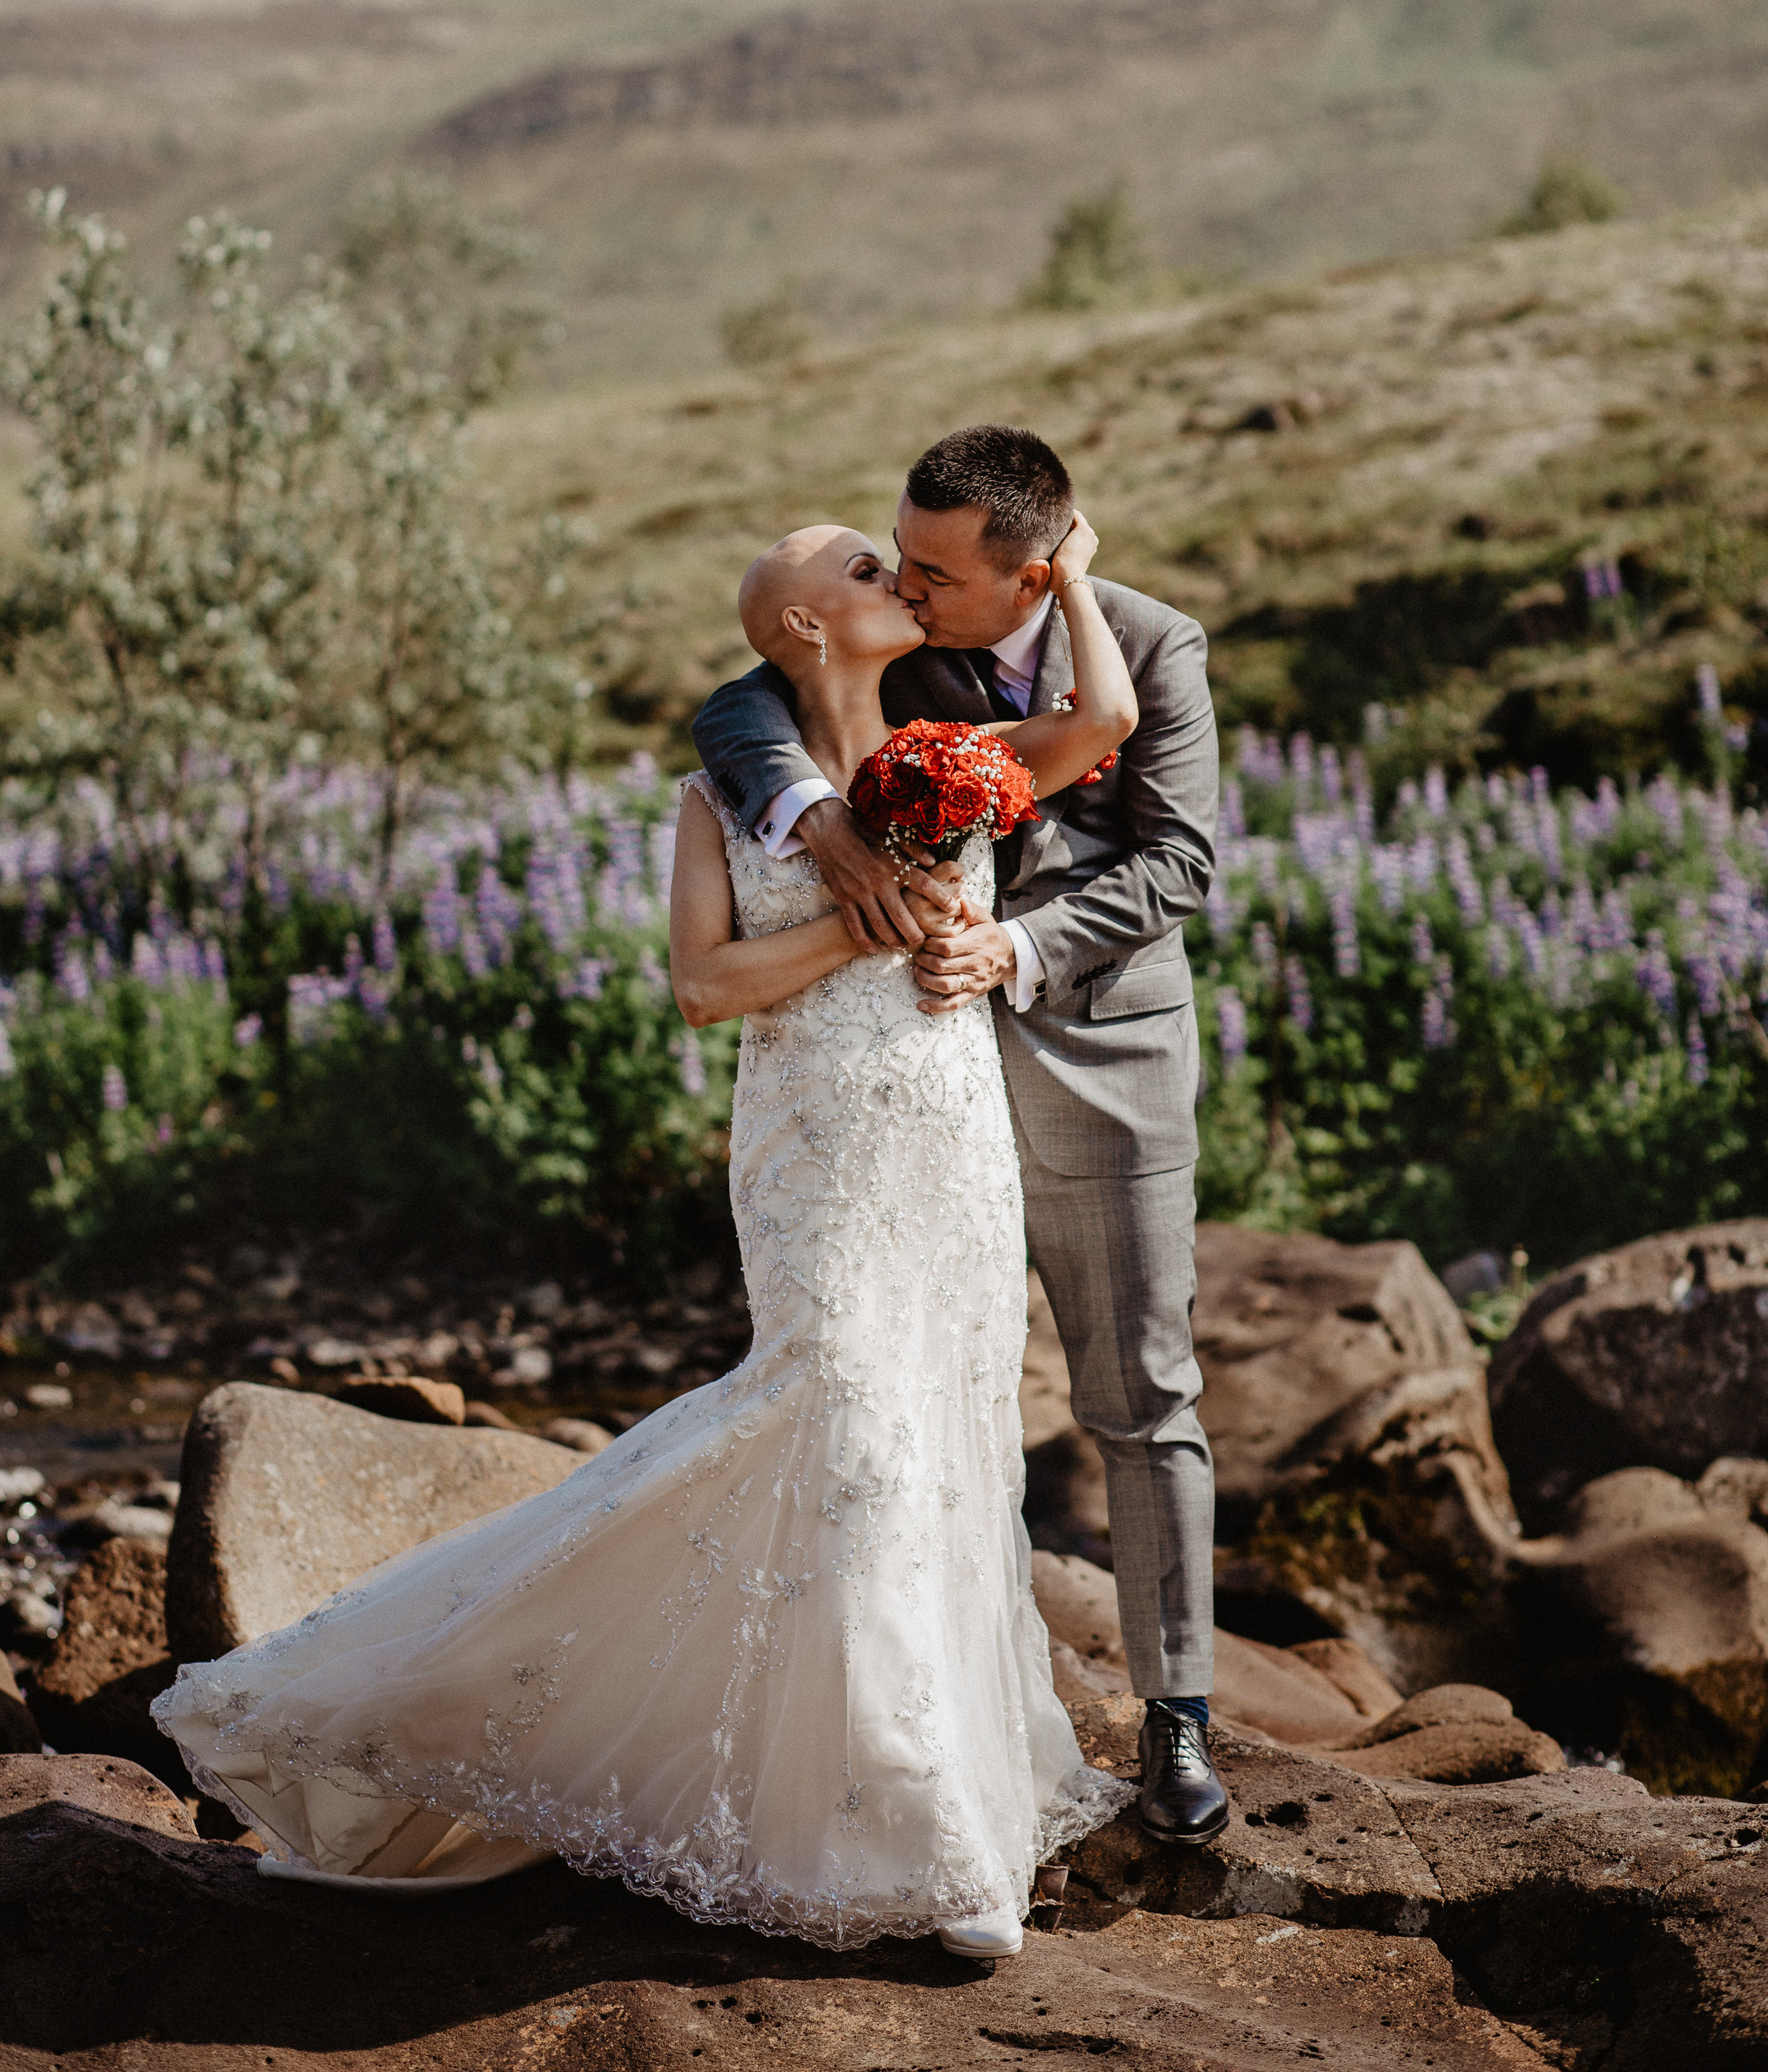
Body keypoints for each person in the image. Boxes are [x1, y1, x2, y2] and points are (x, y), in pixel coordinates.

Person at [150, 510, 1136, 1957]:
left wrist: (1074, 571)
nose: (898, 580)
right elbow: (701, 986)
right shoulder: (715, 798)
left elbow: (1104, 714)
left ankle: (939, 1821)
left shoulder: (967, 741)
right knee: (844, 1414)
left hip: (948, 1142)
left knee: (942, 1442)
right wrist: (857, 924)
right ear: (797, 622)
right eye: (863, 568)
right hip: (815, 1146)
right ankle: (911, 1842)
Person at [692, 424, 1226, 1845]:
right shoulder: (895, 641)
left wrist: (1019, 945)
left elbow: (1179, 858)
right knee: (916, 1395)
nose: (911, 587)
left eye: (934, 569)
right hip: (919, 1078)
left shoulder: (1151, 645)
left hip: (1100, 1047)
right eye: (898, 559)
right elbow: (734, 716)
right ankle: (915, 1716)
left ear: (1032, 573)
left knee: (1140, 1392)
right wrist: (823, 831)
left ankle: (1176, 1715)